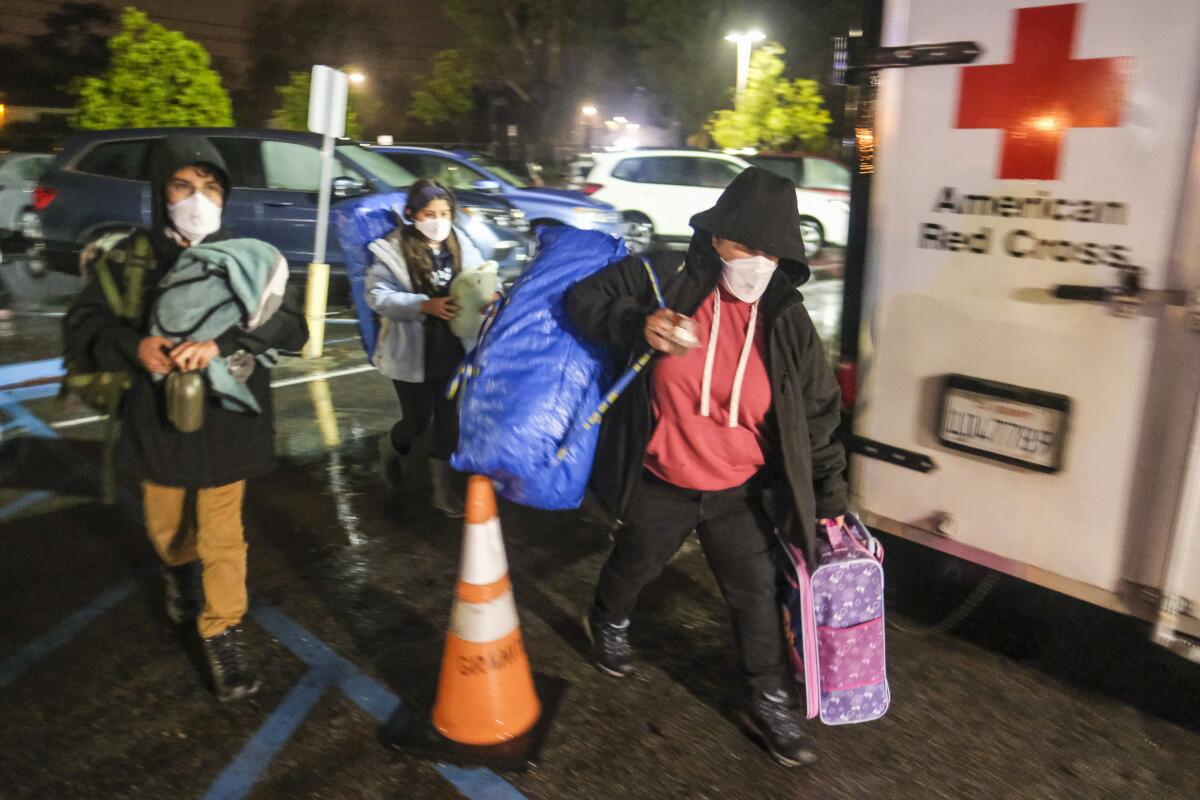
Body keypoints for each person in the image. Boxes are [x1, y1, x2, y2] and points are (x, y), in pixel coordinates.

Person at [567, 167, 847, 767]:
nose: (758, 262)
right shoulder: (665, 275)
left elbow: (818, 415)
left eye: (772, 252)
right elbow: (582, 300)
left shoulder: (787, 321)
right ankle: (608, 621)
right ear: (717, 237)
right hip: (661, 477)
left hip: (739, 489)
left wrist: (831, 502)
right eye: (747, 246)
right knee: (636, 563)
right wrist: (636, 324)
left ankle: (767, 698)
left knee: (756, 596)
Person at [62, 135, 307, 703]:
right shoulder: (126, 260)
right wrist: (134, 346)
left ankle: (223, 629)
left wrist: (222, 343)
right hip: (157, 418)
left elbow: (291, 327)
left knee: (224, 535)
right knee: (169, 526)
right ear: (160, 191)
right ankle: (177, 571)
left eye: (211, 187)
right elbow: (82, 328)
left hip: (228, 416)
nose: (198, 199)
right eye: (184, 186)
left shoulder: (251, 257)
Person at [366, 179, 488, 517]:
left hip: (452, 346)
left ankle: (442, 491)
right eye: (429, 213)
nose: (438, 220)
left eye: (445, 212)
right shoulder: (392, 250)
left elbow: (482, 277)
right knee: (417, 421)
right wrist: (424, 305)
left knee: (449, 420)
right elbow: (377, 296)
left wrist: (489, 296)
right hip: (411, 350)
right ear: (411, 214)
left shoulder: (460, 242)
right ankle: (390, 449)